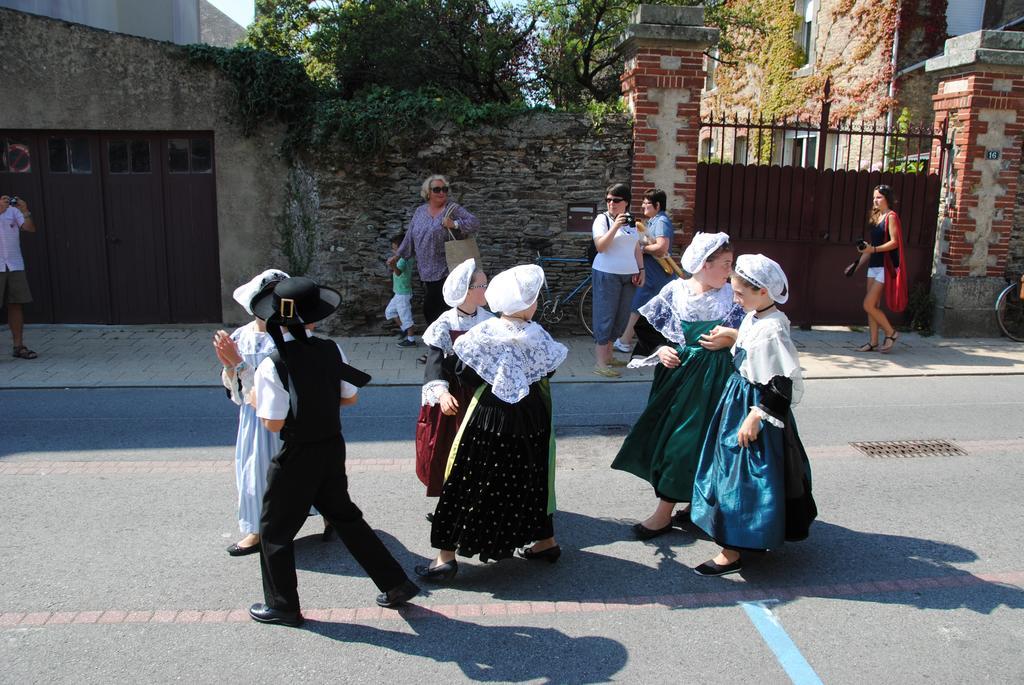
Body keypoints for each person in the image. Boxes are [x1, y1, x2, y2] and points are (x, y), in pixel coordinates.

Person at [248, 277, 419, 626]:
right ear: (312, 319)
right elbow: (350, 397)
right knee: (346, 518)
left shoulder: (273, 363)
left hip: (297, 454)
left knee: (275, 530)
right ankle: (396, 582)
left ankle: (283, 605)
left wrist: (254, 400)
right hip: (331, 446)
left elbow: (273, 424)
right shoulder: (331, 349)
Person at [415, 264, 568, 581]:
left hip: (490, 416)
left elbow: (464, 371)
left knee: (471, 478)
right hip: (532, 416)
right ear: (524, 304)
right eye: (534, 298)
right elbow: (548, 369)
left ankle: (445, 557)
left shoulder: (483, 332)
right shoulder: (537, 334)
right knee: (530, 475)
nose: (536, 303)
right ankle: (545, 541)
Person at [690, 254, 817, 577]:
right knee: (731, 471)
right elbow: (752, 351)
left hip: (754, 407)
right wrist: (733, 337)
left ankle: (732, 550)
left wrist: (756, 416)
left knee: (742, 477)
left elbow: (781, 383)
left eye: (739, 293)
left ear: (762, 291)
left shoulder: (774, 329)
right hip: (738, 398)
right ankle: (743, 535)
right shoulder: (756, 317)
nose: (735, 298)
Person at [611, 233, 743, 539]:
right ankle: (665, 512)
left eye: (731, 264)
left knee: (710, 443)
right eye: (725, 264)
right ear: (703, 264)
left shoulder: (731, 296)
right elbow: (646, 327)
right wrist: (662, 349)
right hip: (681, 379)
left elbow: (753, 331)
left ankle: (689, 504)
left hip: (720, 379)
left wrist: (732, 338)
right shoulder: (676, 292)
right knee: (678, 442)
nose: (729, 271)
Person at [212, 269, 289, 557]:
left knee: (306, 471)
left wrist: (238, 365)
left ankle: (330, 516)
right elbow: (240, 391)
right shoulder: (241, 336)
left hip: (284, 415)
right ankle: (258, 529)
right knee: (255, 473)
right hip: (254, 421)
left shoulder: (289, 335)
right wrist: (230, 366)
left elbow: (279, 384)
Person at [415, 258, 492, 505]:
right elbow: (434, 365)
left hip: (483, 396)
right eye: (482, 286)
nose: (486, 290)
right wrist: (442, 394)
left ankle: (480, 497)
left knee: (483, 449)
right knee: (451, 449)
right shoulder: (445, 323)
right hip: (455, 399)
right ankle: (452, 501)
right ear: (468, 291)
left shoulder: (490, 321)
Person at [389, 175, 480, 330]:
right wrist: (397, 257)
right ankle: (442, 347)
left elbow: (474, 222)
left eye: (444, 189)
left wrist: (455, 224)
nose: (441, 192)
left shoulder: (452, 209)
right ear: (428, 193)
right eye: (437, 189)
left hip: (447, 268)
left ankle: (439, 348)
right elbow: (410, 235)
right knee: (438, 309)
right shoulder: (420, 211)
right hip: (425, 269)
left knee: (433, 308)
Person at [613, 188, 677, 353]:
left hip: (656, 274)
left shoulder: (661, 221)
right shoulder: (655, 220)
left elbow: (662, 247)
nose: (643, 206)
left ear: (657, 205)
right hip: (654, 273)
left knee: (639, 306)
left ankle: (625, 341)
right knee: (652, 307)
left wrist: (642, 248)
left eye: (647, 203)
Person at [591, 183, 643, 378]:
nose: (611, 203)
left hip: (629, 274)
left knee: (620, 317)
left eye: (616, 200)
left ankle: (609, 356)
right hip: (606, 273)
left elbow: (636, 247)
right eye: (608, 200)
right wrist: (615, 226)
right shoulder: (601, 219)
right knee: (604, 315)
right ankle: (600, 362)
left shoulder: (631, 221)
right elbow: (601, 246)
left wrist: (642, 268)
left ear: (626, 202)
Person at [853, 185, 903, 353]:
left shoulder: (891, 216)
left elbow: (894, 242)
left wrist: (872, 250)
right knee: (872, 305)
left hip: (885, 266)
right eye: (874, 197)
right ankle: (873, 342)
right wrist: (856, 265)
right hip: (873, 265)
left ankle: (891, 333)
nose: (876, 200)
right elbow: (872, 246)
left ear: (887, 199)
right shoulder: (876, 216)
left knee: (868, 305)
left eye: (879, 197)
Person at [1, 194, 38, 359]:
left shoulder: (12, 210)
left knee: (16, 304)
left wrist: (25, 211)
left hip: (14, 264)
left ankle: (18, 346)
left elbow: (30, 228)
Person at [385, 232, 418, 348]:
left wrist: (392, 265)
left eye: (395, 250)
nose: (394, 252)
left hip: (403, 294)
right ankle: (404, 329)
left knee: (405, 317)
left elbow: (398, 273)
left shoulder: (405, 259)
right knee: (390, 312)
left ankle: (411, 340)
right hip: (398, 293)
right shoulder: (402, 257)